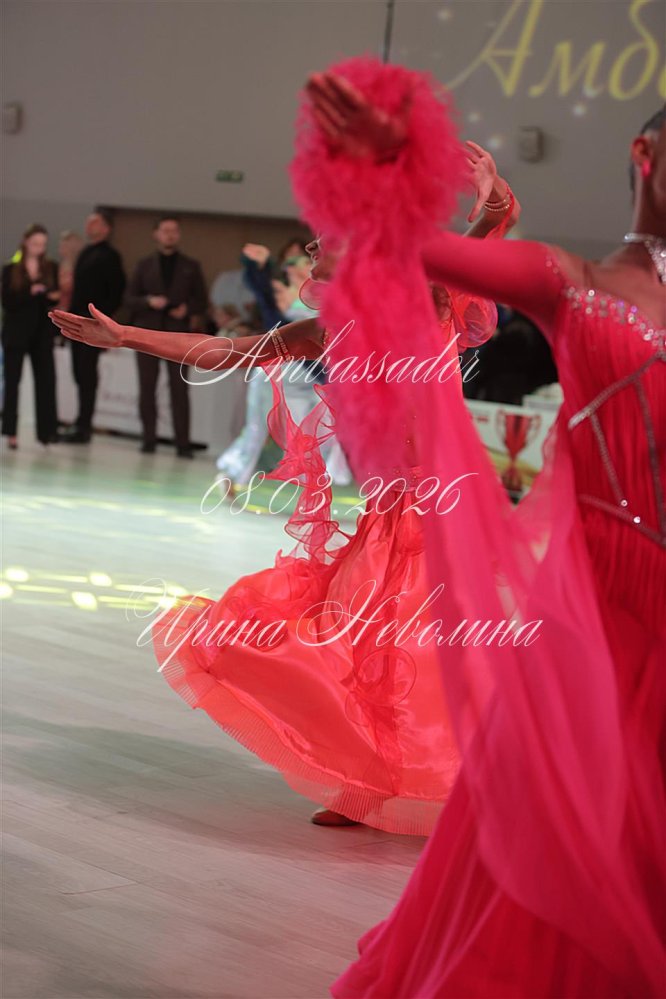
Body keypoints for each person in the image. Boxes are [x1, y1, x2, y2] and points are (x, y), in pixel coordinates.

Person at [298, 66, 664, 995]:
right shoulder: (574, 282)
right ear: (645, 154)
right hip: (609, 615)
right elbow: (414, 248)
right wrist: (380, 172)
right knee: (583, 831)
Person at [49, 137, 517, 836]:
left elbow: (484, 232)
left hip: (449, 510)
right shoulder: (324, 330)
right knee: (357, 648)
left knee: (429, 651)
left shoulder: (426, 298)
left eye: (324, 237)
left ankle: (465, 785)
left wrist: (491, 197)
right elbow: (228, 352)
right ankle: (368, 783)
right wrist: (129, 338)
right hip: (391, 512)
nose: (312, 247)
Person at [125, 216, 208, 457]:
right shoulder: (144, 265)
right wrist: (148, 301)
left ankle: (182, 442)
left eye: (174, 231)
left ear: (178, 235)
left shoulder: (191, 266)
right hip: (148, 331)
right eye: (165, 230)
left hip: (178, 333)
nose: (170, 235)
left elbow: (202, 301)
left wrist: (187, 309)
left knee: (179, 388)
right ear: (156, 234)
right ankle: (148, 438)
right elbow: (129, 298)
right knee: (147, 387)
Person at [63, 210, 126, 444]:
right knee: (79, 373)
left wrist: (102, 320)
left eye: (95, 222)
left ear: (106, 228)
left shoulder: (110, 256)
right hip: (77, 321)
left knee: (87, 374)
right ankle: (81, 422)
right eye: (88, 222)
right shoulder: (86, 253)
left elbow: (116, 291)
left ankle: (84, 426)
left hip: (94, 323)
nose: (89, 226)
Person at [2, 224, 60, 448]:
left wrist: (50, 295)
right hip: (16, 331)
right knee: (12, 381)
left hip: (42, 332)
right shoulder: (11, 269)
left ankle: (47, 432)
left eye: (43, 244)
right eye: (35, 243)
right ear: (26, 242)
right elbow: (8, 301)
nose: (39, 248)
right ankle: (10, 431)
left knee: (46, 380)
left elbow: (54, 297)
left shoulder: (50, 268)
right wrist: (30, 291)